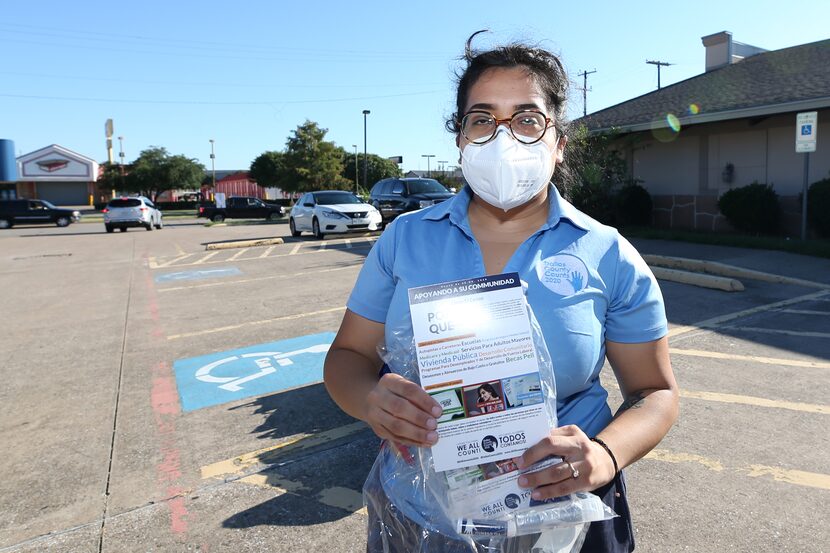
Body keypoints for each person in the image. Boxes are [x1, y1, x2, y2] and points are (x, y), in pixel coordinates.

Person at [324, 30, 679, 552]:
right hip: (420, 513)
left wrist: (604, 454)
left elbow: (656, 394)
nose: (503, 137)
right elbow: (347, 357)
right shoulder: (405, 239)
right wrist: (370, 399)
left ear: (558, 144)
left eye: (527, 119)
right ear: (461, 139)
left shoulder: (608, 253)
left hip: (568, 518)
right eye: (483, 118)